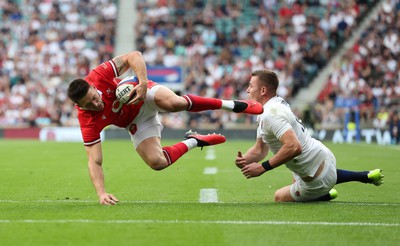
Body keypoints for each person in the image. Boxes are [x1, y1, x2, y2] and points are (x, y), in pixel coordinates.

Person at [67, 51, 263, 205]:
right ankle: (195, 140)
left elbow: (134, 56)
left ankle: (231, 105)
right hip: (135, 121)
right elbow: (95, 161)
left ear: (92, 87)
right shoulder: (87, 119)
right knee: (157, 162)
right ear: (80, 106)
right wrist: (101, 194)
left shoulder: (98, 76)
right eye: (89, 104)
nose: (96, 104)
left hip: (144, 92)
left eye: (94, 98)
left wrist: (142, 83)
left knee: (175, 104)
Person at [235, 69, 384, 202]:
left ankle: (324, 194)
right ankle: (364, 176)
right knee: (297, 174)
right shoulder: (272, 107)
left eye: (250, 86)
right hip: (323, 156)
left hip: (316, 181)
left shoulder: (270, 114)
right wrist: (244, 160)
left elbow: (294, 147)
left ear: (262, 90)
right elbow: (260, 150)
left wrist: (262, 168)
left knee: (279, 197)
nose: (247, 90)